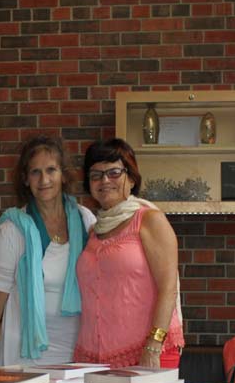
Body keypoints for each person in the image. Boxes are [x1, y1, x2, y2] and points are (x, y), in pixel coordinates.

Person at [0, 135, 96, 370]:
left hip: (77, 350)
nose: (44, 180)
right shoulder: (14, 228)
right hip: (26, 353)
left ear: (63, 174)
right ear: (25, 179)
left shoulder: (85, 219)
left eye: (51, 170)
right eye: (35, 172)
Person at [74, 138, 184, 369]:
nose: (105, 180)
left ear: (131, 178)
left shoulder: (149, 220)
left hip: (147, 354)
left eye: (114, 172)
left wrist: (153, 346)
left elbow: (168, 289)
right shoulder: (93, 231)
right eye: (96, 175)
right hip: (93, 359)